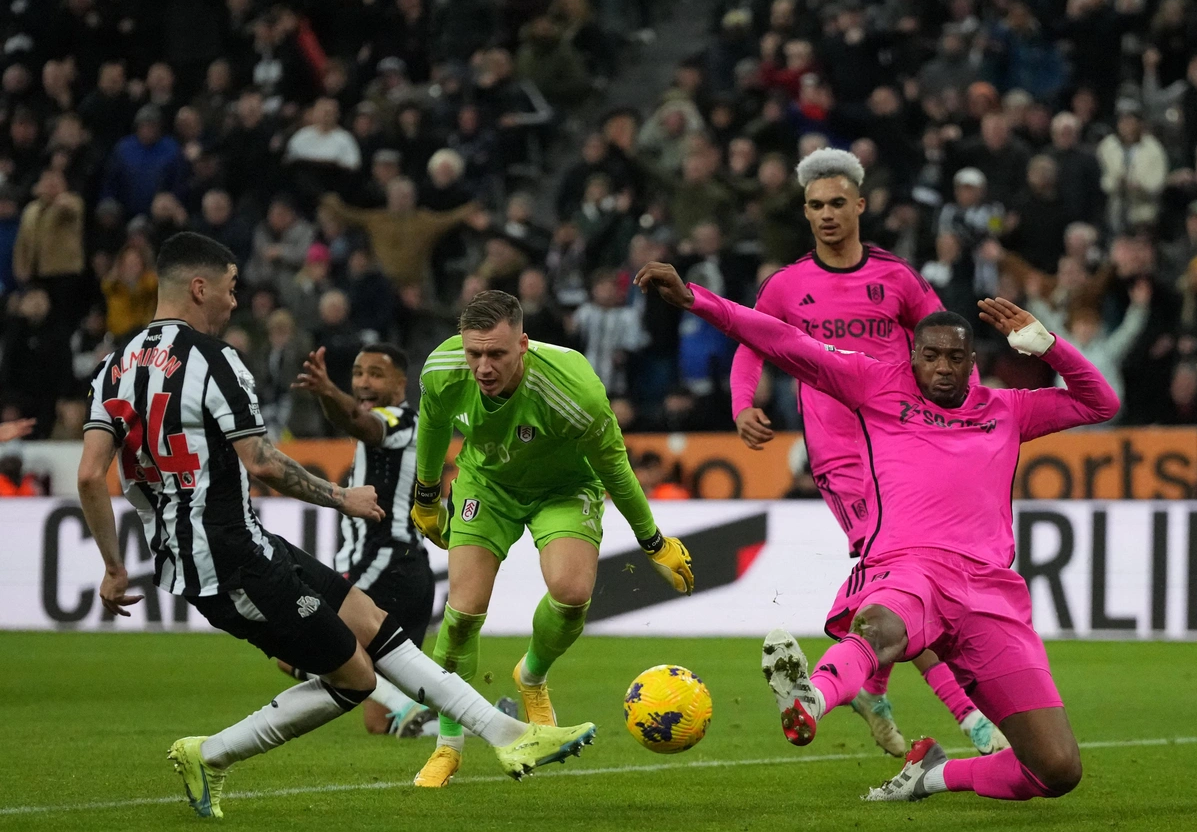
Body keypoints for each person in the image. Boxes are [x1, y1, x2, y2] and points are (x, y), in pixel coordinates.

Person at [76, 233, 596, 819]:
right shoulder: (214, 362)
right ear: (199, 288)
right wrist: (340, 497)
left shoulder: (111, 368)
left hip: (237, 544)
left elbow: (92, 476)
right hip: (225, 559)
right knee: (356, 678)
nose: (233, 302)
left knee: (371, 622)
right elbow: (263, 462)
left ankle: (508, 735)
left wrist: (115, 566)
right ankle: (211, 754)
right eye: (229, 288)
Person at [634, 259, 1118, 803]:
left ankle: (930, 775)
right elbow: (782, 338)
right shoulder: (875, 384)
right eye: (930, 355)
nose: (942, 368)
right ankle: (810, 699)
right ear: (912, 356)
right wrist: (696, 299)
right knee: (879, 625)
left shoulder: (1006, 409)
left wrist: (1048, 345)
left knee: (1056, 769)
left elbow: (1101, 401)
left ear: (972, 363)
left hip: (990, 593)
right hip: (909, 567)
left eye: (955, 358)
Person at [730, 148, 1006, 757]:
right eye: (814, 206)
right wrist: (742, 403)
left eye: (836, 203)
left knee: (903, 583)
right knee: (904, 578)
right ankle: (969, 718)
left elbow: (946, 349)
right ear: (805, 213)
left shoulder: (898, 278)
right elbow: (751, 341)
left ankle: (872, 690)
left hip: (907, 451)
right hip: (842, 460)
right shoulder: (785, 285)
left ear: (859, 205)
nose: (826, 215)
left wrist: (973, 411)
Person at [410, 290, 694, 786]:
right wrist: (427, 495)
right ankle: (448, 744)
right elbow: (433, 421)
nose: (482, 366)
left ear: (523, 344)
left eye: (496, 353)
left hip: (563, 490)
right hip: (487, 484)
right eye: (474, 352)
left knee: (571, 592)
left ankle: (532, 676)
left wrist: (653, 542)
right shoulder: (443, 369)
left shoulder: (573, 388)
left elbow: (615, 466)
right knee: (462, 613)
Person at [278, 342, 436, 738]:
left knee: (291, 640)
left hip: (386, 563)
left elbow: (362, 425)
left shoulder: (401, 421)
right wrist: (327, 394)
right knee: (379, 722)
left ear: (401, 382)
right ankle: (454, 721)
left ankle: (418, 708)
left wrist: (328, 390)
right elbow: (350, 419)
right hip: (398, 569)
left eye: (375, 374)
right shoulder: (378, 419)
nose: (364, 382)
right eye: (358, 373)